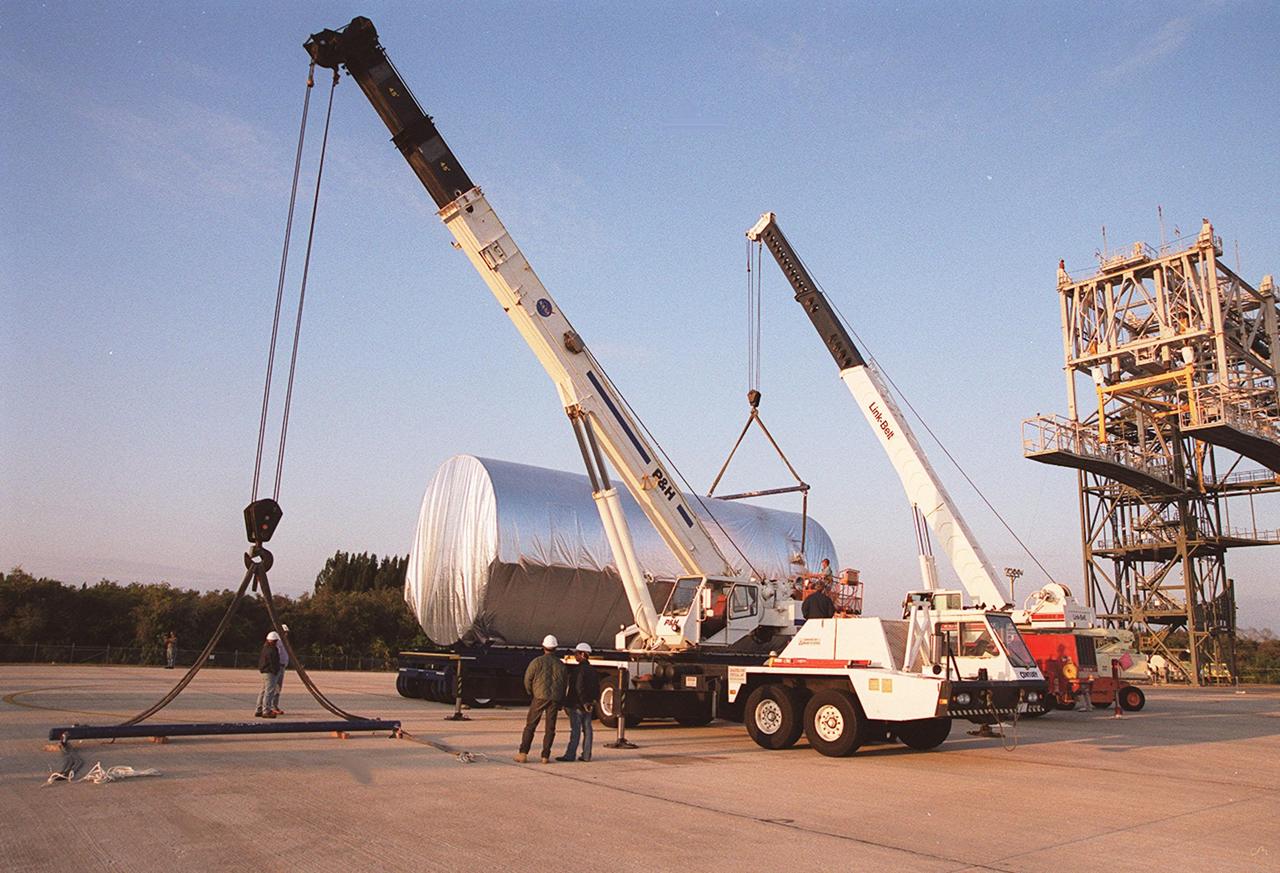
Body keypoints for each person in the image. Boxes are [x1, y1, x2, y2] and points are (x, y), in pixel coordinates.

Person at [515, 634, 568, 764]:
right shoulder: (561, 664)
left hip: (539, 697)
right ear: (555, 648)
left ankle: (523, 754)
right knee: (550, 729)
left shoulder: (537, 662)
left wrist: (531, 692)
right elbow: (564, 684)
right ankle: (545, 756)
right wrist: (560, 700)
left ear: (543, 647)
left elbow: (528, 679)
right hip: (554, 698)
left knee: (530, 726)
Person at [557, 643, 600, 763]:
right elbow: (597, 687)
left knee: (575, 730)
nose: (575, 656)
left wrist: (582, 702)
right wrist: (592, 701)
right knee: (588, 730)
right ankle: (586, 755)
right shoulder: (593, 670)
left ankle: (570, 755)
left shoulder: (578, 670)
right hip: (588, 705)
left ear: (583, 654)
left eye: (577, 653)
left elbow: (578, 687)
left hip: (577, 704)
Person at [255, 631, 283, 718]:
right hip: (270, 672)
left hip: (265, 671)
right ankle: (266, 711)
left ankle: (259, 709)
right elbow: (273, 662)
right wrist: (276, 671)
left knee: (264, 691)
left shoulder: (265, 648)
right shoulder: (272, 649)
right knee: (269, 692)